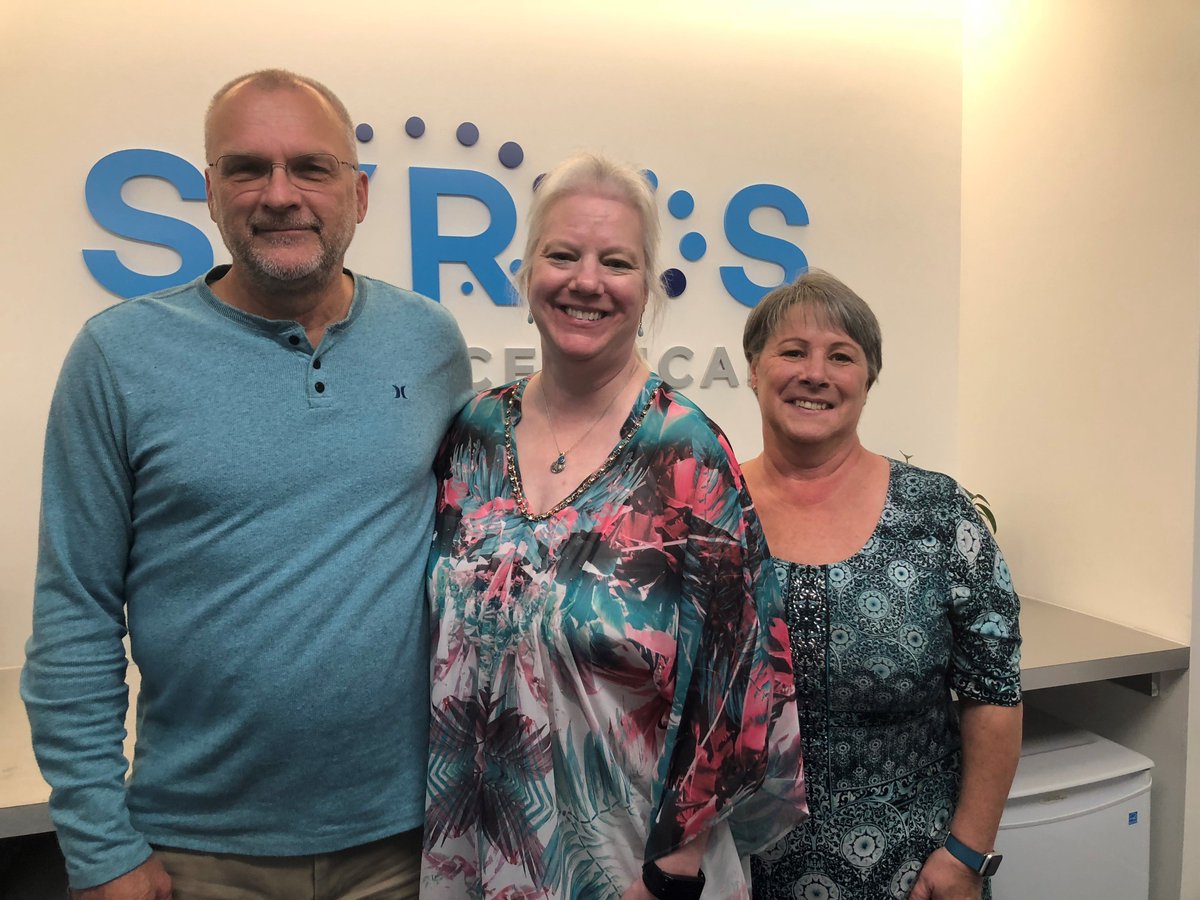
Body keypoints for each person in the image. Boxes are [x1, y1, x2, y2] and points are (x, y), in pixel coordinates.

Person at [22, 69, 472, 900]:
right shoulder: (118, 357)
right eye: (245, 168)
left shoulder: (429, 341)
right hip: (199, 849)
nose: (279, 195)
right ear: (209, 190)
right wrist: (98, 846)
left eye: (311, 167)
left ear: (359, 193)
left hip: (408, 840)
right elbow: (73, 613)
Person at [420, 152, 806, 899]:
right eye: (562, 254)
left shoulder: (686, 451)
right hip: (477, 842)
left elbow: (743, 676)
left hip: (631, 864)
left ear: (647, 289)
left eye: (616, 261)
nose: (586, 281)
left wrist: (673, 870)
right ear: (526, 274)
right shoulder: (469, 432)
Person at [742, 271, 1022, 900]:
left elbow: (994, 695)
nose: (816, 373)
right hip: (735, 867)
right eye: (792, 351)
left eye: (841, 356)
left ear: (867, 380)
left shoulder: (937, 513)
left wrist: (967, 855)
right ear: (754, 369)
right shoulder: (709, 509)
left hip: (911, 870)